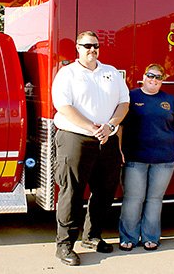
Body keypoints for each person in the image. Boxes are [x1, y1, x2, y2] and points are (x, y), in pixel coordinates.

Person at [51, 31, 130, 266]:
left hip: (107, 139)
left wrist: (111, 125)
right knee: (71, 192)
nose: (92, 50)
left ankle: (92, 236)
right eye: (87, 46)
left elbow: (124, 103)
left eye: (95, 46)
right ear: (77, 47)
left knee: (105, 192)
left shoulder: (111, 72)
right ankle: (64, 245)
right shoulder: (67, 74)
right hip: (75, 139)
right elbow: (63, 106)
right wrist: (90, 127)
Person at [118, 64, 174, 252]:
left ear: (162, 80)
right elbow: (120, 126)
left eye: (158, 77)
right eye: (150, 76)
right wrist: (119, 149)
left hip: (165, 160)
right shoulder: (131, 97)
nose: (154, 80)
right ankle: (128, 237)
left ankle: (151, 237)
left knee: (155, 199)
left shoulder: (170, 101)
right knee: (133, 199)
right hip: (135, 158)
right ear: (143, 76)